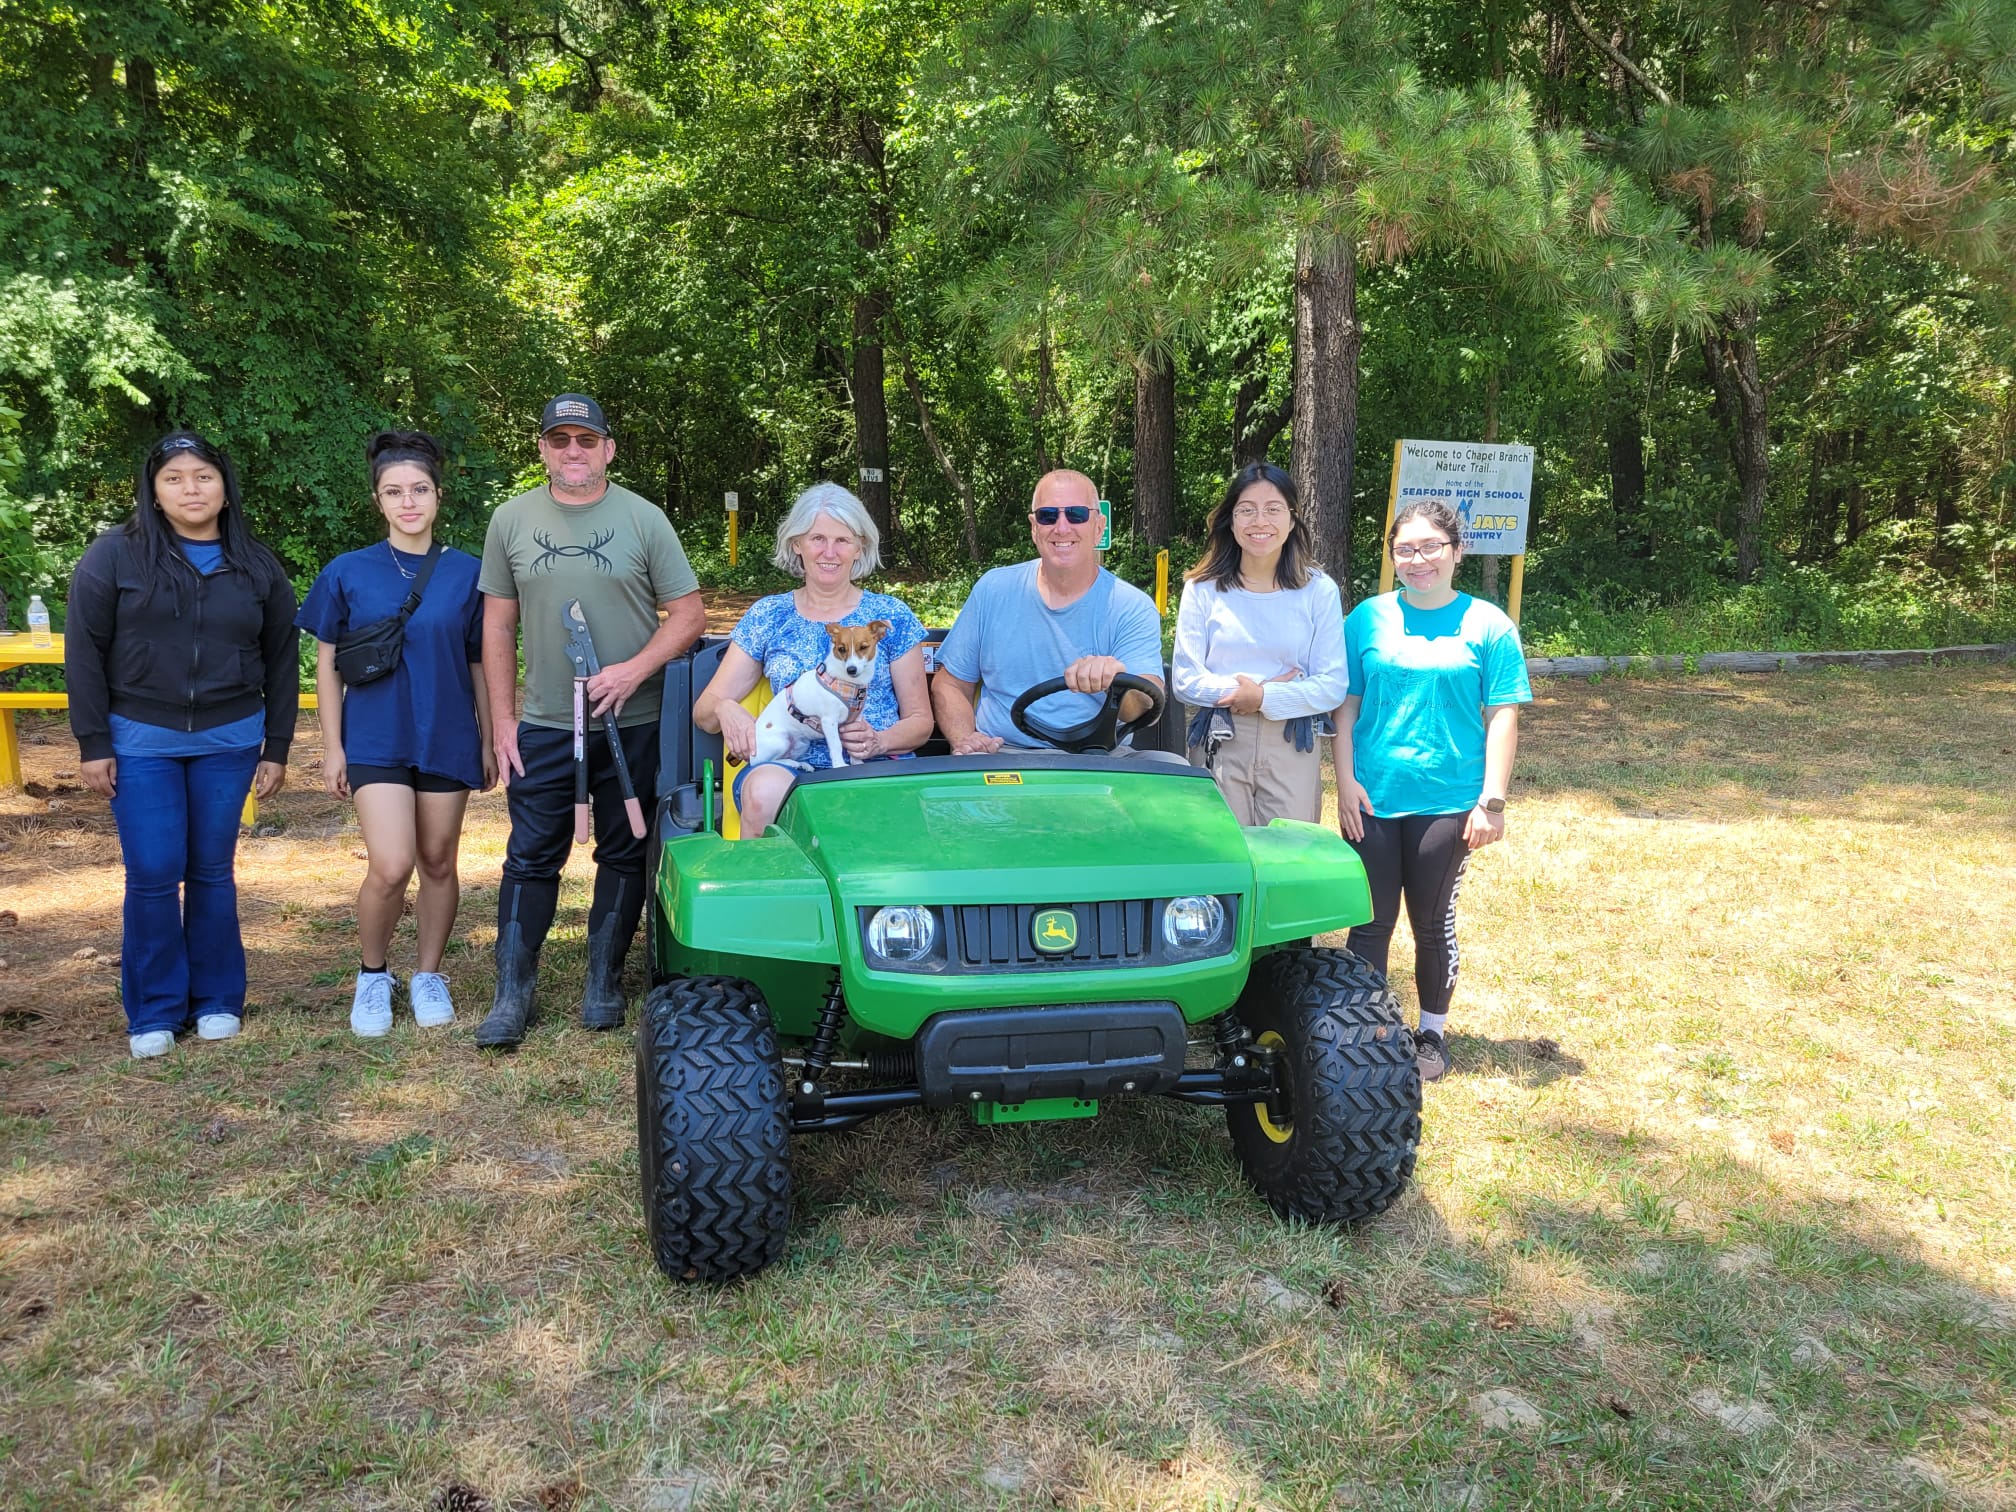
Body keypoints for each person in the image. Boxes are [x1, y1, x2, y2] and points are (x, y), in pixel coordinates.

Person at [475, 393, 704, 1048]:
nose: (572, 451)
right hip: (547, 722)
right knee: (530, 855)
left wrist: (634, 670)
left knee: (626, 851)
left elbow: (688, 616)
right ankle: (512, 992)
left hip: (635, 719)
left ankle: (603, 980)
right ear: (543, 450)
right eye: (559, 440)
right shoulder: (511, 520)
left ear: (608, 449)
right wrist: (503, 720)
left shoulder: (644, 519)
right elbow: (497, 624)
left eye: (585, 440)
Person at [65, 431, 298, 1059]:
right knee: (152, 871)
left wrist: (277, 745)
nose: (190, 489)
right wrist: (93, 740)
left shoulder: (256, 564)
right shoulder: (115, 555)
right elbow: (83, 651)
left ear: (224, 488)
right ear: (154, 490)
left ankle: (218, 999)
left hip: (231, 739)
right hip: (140, 741)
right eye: (174, 478)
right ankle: (155, 1009)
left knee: (212, 870)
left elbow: (282, 659)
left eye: (203, 476)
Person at [298, 431, 494, 1038]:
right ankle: (372, 975)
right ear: (378, 500)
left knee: (438, 860)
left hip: (447, 732)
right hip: (375, 737)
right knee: (390, 864)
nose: (408, 502)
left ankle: (428, 974)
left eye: (419, 489)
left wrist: (489, 738)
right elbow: (327, 665)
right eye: (394, 492)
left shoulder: (469, 573)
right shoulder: (347, 571)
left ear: (438, 496)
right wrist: (333, 747)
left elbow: (479, 663)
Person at [1336, 498, 1531, 1083]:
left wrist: (1491, 801)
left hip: (1449, 802)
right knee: (1369, 922)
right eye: (1405, 549)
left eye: (1430, 547)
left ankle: (1431, 1034)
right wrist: (1343, 782)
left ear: (1456, 551)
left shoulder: (1489, 625)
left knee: (1430, 921)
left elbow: (1502, 716)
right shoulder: (1366, 619)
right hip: (1371, 797)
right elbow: (1345, 708)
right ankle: (1367, 1031)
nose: (1418, 560)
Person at [694, 483, 931, 834]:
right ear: (797, 544)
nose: (829, 552)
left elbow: (920, 721)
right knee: (763, 793)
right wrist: (725, 708)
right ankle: (764, 871)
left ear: (860, 547)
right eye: (817, 538)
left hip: (875, 763)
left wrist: (880, 741)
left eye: (842, 540)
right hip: (789, 766)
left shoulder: (890, 615)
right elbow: (704, 712)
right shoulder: (770, 615)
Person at [932, 469, 1163, 754]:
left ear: (1099, 527)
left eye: (1076, 514)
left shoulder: (1132, 606)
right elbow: (950, 684)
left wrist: (1116, 682)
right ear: (1034, 527)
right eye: (1048, 516)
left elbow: (1145, 705)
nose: (1062, 527)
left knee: (1174, 768)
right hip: (1004, 754)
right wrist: (966, 739)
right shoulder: (993, 590)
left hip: (1102, 757)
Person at [1172, 462, 1347, 824]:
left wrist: (1266, 697)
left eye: (1273, 509)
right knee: (1222, 849)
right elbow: (1185, 679)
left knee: (1289, 850)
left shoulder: (1318, 591)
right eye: (1247, 510)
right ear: (1231, 519)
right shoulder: (1202, 589)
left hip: (1292, 739)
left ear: (1292, 519)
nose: (1260, 521)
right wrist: (1246, 694)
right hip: (1221, 736)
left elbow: (1332, 686)